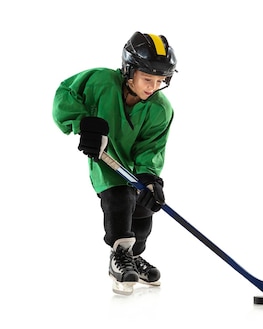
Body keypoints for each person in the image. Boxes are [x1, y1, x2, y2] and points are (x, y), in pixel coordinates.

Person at [52, 31, 177, 295]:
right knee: (119, 200)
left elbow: (152, 147)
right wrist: (83, 124)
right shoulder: (101, 81)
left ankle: (134, 256)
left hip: (133, 167)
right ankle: (118, 258)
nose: (152, 87)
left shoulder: (160, 108)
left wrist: (149, 177)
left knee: (144, 210)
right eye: (147, 79)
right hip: (106, 159)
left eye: (160, 80)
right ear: (129, 71)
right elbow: (66, 94)